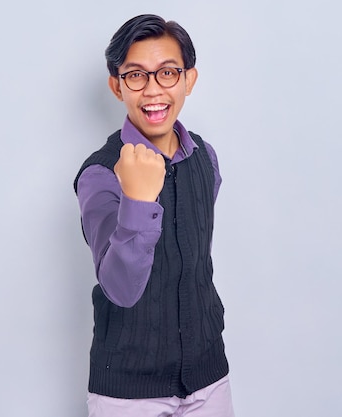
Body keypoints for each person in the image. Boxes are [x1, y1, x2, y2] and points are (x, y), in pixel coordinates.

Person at [74, 14, 234, 417]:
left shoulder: (206, 158)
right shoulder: (99, 174)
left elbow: (194, 260)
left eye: (167, 73)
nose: (153, 90)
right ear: (116, 86)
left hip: (208, 376)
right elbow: (121, 289)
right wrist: (139, 201)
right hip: (129, 390)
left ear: (188, 80)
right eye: (135, 76)